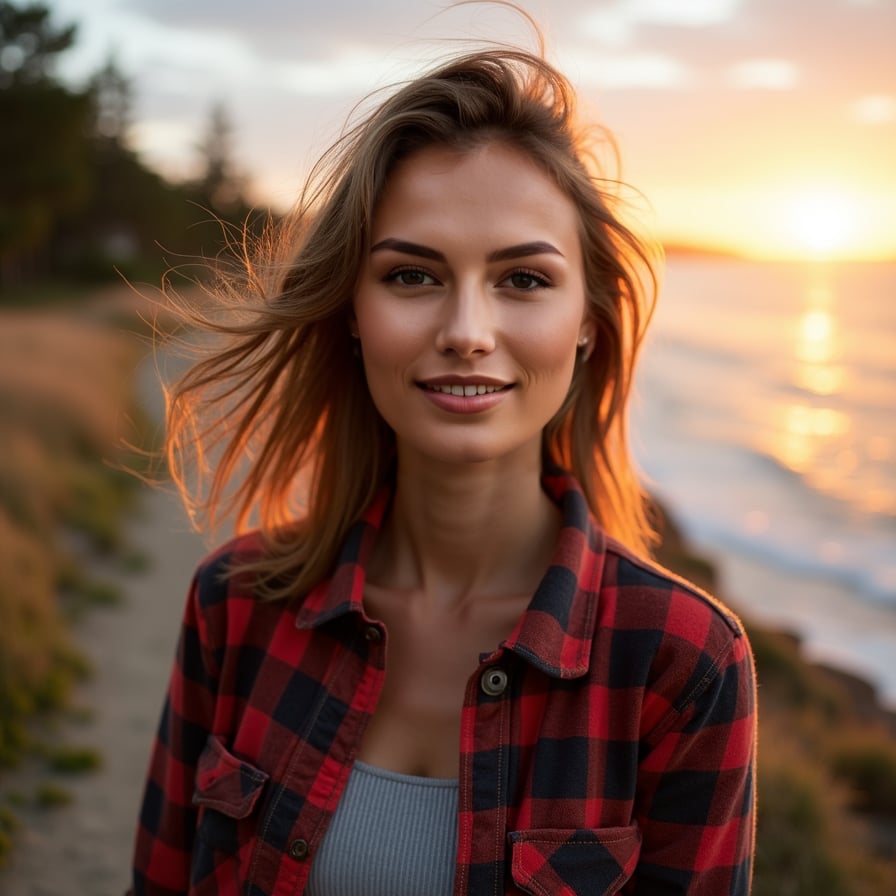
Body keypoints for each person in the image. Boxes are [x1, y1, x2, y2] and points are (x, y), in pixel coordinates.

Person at [130, 39, 757, 896]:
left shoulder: (682, 663)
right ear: (353, 311)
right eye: (412, 275)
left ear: (588, 320)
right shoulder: (234, 604)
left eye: (524, 279)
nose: (466, 331)